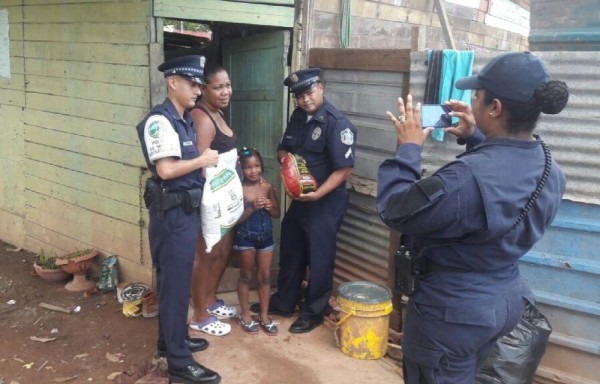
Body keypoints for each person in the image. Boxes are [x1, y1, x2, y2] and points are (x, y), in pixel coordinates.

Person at [376, 52, 569, 383]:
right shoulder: (551, 168)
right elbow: (500, 188)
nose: (471, 103)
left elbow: (395, 209)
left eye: (476, 97)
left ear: (494, 108)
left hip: (452, 315)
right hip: (504, 301)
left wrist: (408, 149)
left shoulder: (462, 180)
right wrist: (475, 136)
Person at [136, 55, 221, 384]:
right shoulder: (161, 120)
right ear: (172, 82)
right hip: (171, 217)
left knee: (175, 283)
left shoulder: (182, 118)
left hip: (183, 212)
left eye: (199, 85)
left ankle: (170, 343)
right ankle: (181, 365)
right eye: (192, 84)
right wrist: (202, 160)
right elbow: (166, 169)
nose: (198, 91)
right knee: (174, 287)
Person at [257, 67, 357, 333]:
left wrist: (319, 193)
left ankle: (313, 312)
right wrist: (286, 163)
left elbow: (344, 169)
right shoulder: (298, 117)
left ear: (321, 87)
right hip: (300, 200)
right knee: (291, 249)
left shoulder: (338, 124)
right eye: (298, 95)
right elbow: (283, 149)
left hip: (326, 202)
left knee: (320, 257)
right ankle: (285, 302)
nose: (305, 99)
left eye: (309, 92)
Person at [189, 64, 238, 336]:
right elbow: (198, 164)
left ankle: (209, 299)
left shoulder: (218, 113)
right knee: (205, 255)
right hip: (209, 200)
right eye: (218, 87)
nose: (225, 91)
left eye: (227, 85)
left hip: (223, 200)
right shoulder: (203, 117)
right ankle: (199, 314)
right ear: (204, 89)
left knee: (221, 252)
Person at [235, 147, 281, 335]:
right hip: (245, 238)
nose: (254, 171)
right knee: (246, 275)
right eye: (248, 167)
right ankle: (245, 314)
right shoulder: (238, 189)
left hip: (266, 238)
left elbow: (277, 214)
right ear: (241, 170)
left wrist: (270, 208)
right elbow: (235, 220)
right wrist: (251, 208)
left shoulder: (267, 187)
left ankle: (264, 315)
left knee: (265, 277)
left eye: (257, 166)